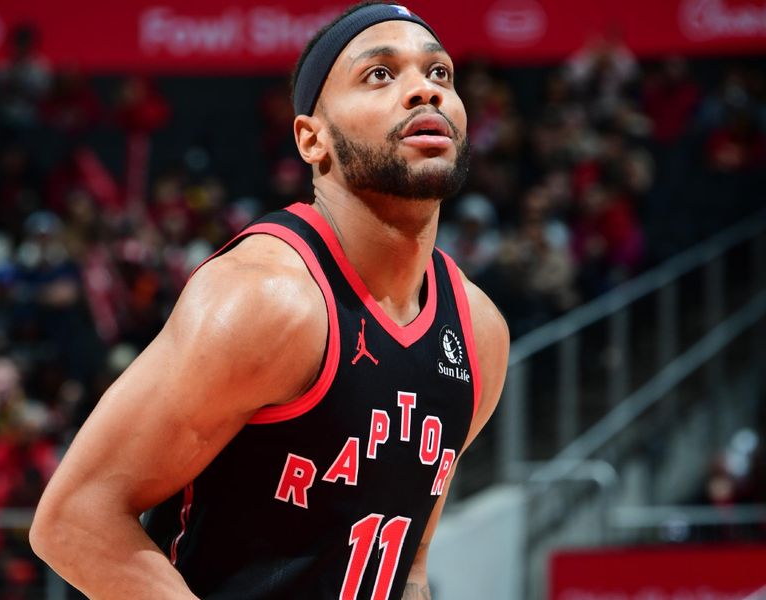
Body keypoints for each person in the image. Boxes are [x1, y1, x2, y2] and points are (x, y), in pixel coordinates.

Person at [29, 3, 510, 599]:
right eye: (380, 75)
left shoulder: (478, 333)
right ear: (313, 140)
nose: (423, 92)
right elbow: (74, 517)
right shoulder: (266, 300)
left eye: (440, 74)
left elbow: (406, 569)